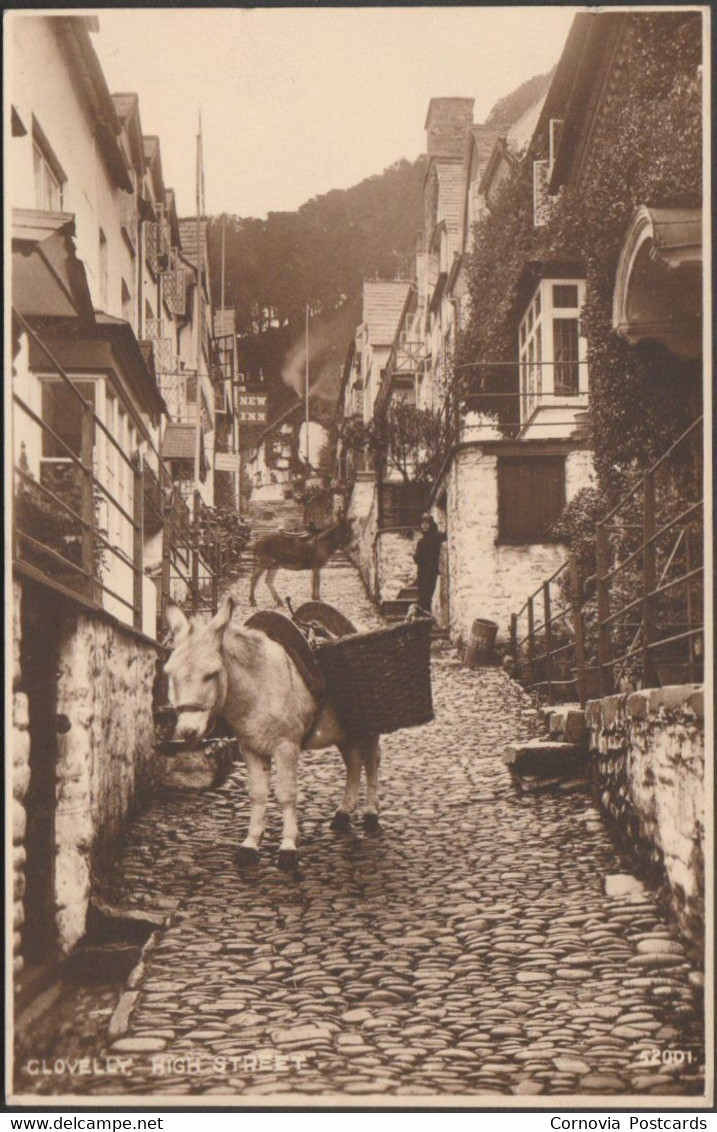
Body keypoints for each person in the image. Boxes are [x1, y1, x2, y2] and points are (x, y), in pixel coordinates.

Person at [413, 513, 447, 615]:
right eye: (422, 523)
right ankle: (423, 622)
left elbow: (445, 536)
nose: (424, 526)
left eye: (427, 523)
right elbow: (417, 558)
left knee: (427, 598)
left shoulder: (436, 536)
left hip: (431, 572)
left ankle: (425, 621)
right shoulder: (421, 541)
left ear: (431, 524)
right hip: (422, 573)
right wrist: (417, 557)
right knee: (422, 598)